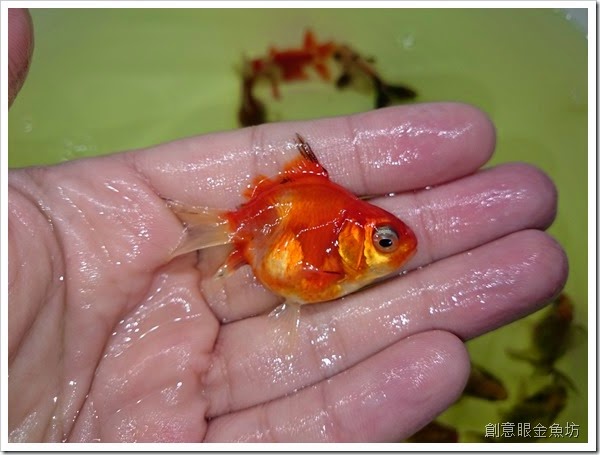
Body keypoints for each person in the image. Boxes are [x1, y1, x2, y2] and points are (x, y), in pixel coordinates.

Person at [7, 8, 568, 443]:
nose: (393, 248)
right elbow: (301, 276)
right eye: (384, 240)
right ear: (355, 236)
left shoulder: (335, 240)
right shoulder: (320, 234)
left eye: (387, 240)